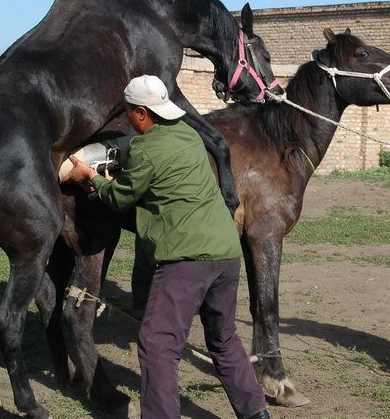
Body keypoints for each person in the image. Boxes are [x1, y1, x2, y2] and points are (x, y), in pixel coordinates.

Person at [67, 75, 269, 419]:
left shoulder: (147, 149)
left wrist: (90, 177)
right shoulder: (190, 136)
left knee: (158, 344)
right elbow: (161, 176)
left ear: (142, 113)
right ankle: (255, 413)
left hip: (185, 259)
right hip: (225, 253)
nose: (129, 117)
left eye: (130, 112)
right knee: (224, 339)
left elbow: (120, 198)